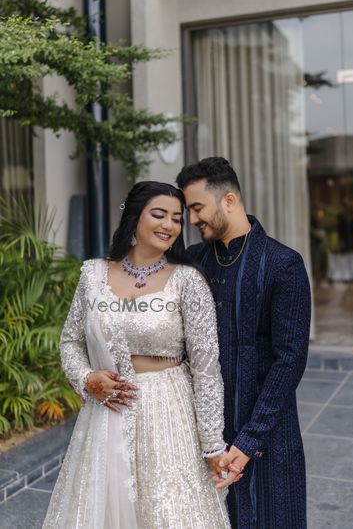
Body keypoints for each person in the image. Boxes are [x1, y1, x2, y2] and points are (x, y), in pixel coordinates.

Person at [43, 181, 231, 529]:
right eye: (159, 215)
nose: (169, 225)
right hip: (106, 413)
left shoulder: (188, 281)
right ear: (134, 217)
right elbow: (70, 341)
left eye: (176, 218)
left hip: (168, 413)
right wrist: (87, 379)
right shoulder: (93, 276)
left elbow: (206, 370)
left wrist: (212, 445)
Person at [176, 158, 311, 529]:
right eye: (189, 210)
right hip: (203, 437)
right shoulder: (193, 261)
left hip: (268, 436)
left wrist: (249, 441)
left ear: (229, 200)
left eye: (197, 208)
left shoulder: (283, 264)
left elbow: (290, 360)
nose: (192, 219)